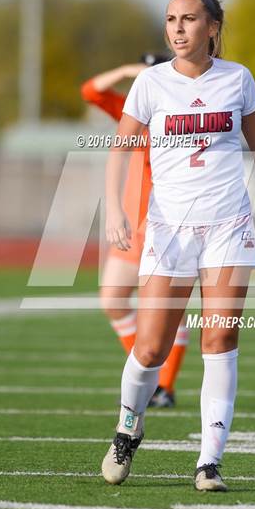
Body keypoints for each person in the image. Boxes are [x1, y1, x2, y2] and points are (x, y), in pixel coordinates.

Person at [101, 0, 255, 491]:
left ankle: (209, 461)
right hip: (168, 230)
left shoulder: (238, 78)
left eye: (188, 19)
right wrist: (116, 209)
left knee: (221, 337)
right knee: (150, 348)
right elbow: (119, 148)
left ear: (212, 27)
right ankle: (127, 427)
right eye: (170, 20)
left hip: (228, 225)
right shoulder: (150, 82)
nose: (177, 29)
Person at [81, 55, 190, 408]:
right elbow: (90, 91)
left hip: (169, 223)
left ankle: (165, 387)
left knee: (165, 312)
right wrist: (127, 71)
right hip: (133, 227)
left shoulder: (182, 114)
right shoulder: (136, 114)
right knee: (112, 299)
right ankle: (149, 374)